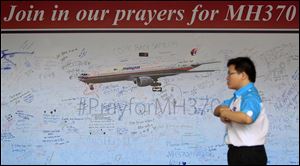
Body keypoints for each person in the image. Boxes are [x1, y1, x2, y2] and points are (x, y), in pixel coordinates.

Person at [213, 57, 269, 165]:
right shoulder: (236, 98)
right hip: (236, 152)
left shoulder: (251, 96)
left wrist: (226, 113)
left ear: (243, 75)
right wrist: (222, 110)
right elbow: (216, 110)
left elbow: (247, 118)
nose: (227, 77)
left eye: (230, 74)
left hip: (249, 154)